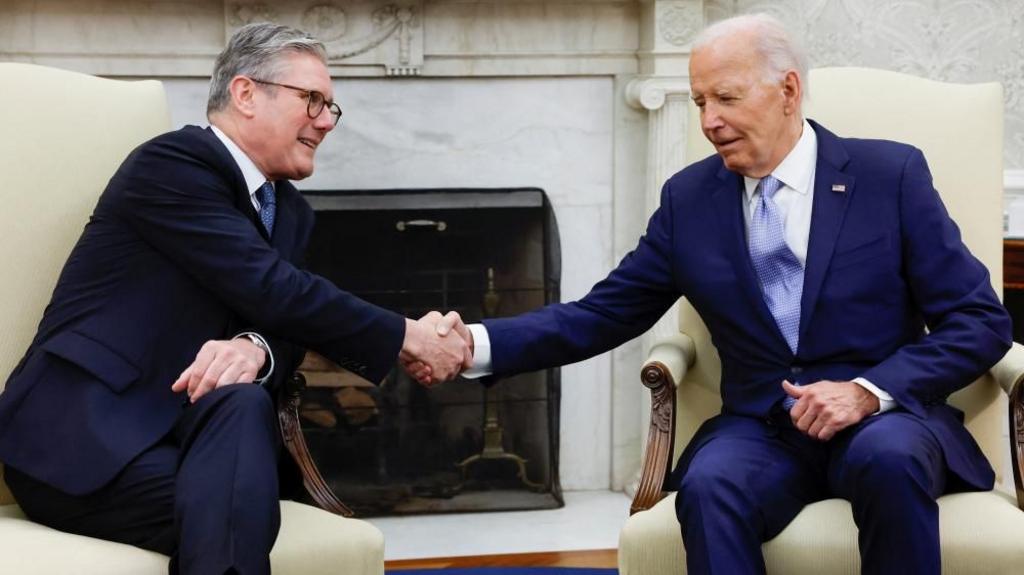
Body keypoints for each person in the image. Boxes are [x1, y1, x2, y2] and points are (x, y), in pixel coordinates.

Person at [427, 13, 1013, 575]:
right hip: (762, 428)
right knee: (710, 486)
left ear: (788, 90)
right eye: (700, 101)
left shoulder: (890, 176)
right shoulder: (690, 200)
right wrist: (473, 344)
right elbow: (603, 314)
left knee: (891, 460)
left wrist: (867, 391)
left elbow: (979, 320)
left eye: (726, 98)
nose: (709, 120)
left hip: (881, 420)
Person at [0, 22, 468, 575]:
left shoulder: (290, 212)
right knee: (237, 508)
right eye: (312, 99)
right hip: (84, 439)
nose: (326, 121)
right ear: (246, 93)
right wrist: (409, 335)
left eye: (332, 108)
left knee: (242, 421)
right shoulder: (172, 164)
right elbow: (271, 287)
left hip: (191, 441)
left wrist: (255, 348)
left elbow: (285, 324)